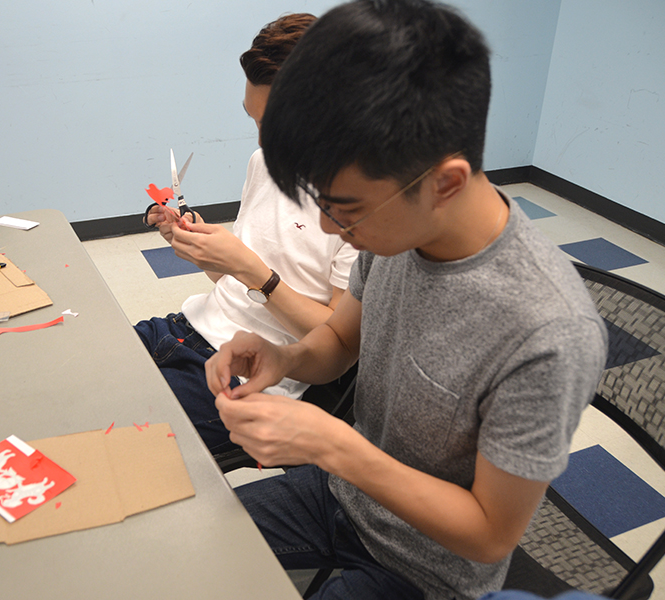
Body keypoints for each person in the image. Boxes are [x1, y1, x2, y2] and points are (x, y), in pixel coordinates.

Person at [205, 1, 608, 599]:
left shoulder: (547, 330)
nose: (324, 228)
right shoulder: (394, 229)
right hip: (341, 493)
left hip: (427, 567)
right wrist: (284, 358)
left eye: (342, 207)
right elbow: (339, 342)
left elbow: (490, 536)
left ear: (444, 182)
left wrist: (330, 444)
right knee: (183, 551)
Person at [134, 13, 358, 455]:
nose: (263, 142)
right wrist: (198, 249)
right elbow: (239, 286)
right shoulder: (264, 164)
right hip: (183, 330)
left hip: (244, 374)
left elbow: (338, 344)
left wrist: (253, 270)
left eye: (275, 126)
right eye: (255, 121)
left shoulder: (365, 204)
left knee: (119, 449)